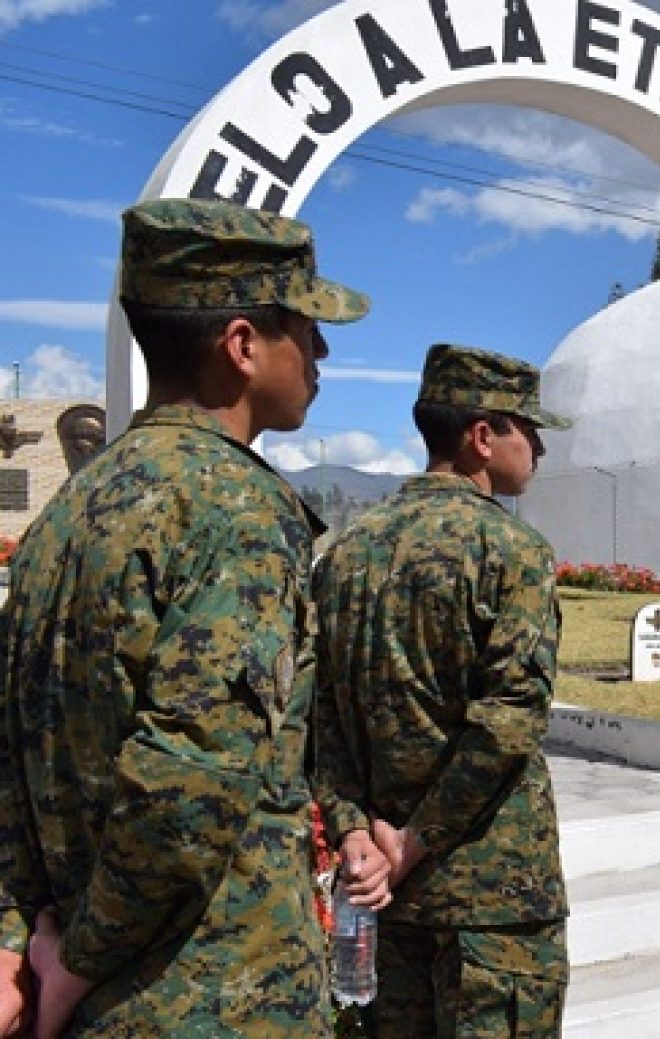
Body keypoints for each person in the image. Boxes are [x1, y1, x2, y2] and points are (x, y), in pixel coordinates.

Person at [0, 198, 386, 1037]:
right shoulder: (238, 509)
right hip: (209, 995)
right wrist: (80, 962)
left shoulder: (67, 515)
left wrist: (20, 942)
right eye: (305, 326)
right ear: (243, 345)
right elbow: (189, 783)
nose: (321, 350)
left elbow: (14, 760)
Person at [312, 343, 572, 1038]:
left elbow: (322, 719)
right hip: (493, 903)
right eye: (530, 430)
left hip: (389, 900)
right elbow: (509, 722)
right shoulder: (511, 551)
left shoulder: (344, 554)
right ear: (482, 437)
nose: (539, 449)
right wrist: (417, 841)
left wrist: (353, 834)